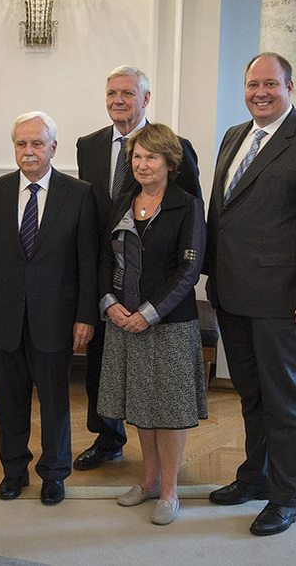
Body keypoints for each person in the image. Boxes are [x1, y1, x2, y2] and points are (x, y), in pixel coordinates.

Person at [205, 52, 296, 536]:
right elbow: (222, 214)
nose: (259, 93)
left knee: (286, 401)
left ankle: (286, 499)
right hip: (233, 294)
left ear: (290, 86)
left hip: (288, 300)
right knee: (252, 396)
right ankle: (257, 477)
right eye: (252, 84)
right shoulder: (234, 135)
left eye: (270, 84)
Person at [74, 65, 201, 471]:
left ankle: (162, 471)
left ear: (145, 99)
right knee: (102, 364)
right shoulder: (88, 144)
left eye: (127, 94)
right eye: (111, 93)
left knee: (158, 382)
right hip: (106, 272)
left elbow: (189, 217)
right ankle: (108, 437)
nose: (118, 101)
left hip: (159, 282)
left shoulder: (176, 146)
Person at [0, 112, 97, 506]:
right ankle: (13, 471)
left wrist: (85, 315)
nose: (29, 152)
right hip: (4, 316)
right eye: (21, 144)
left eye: (37, 144)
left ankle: (54, 474)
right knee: (9, 402)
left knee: (55, 402)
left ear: (53, 148)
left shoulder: (78, 193)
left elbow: (88, 263)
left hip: (56, 319)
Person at [97, 123, 207, 526]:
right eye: (137, 157)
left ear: (169, 162)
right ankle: (146, 482)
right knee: (139, 405)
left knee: (169, 410)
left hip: (169, 324)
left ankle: (169, 490)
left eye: (151, 157)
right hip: (123, 321)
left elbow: (189, 270)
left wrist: (148, 313)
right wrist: (110, 305)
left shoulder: (187, 205)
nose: (142, 165)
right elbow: (104, 259)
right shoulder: (123, 201)